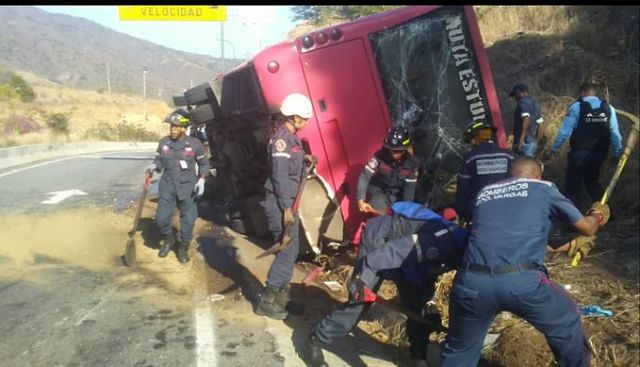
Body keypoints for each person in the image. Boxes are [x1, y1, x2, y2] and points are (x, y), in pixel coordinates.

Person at [441, 156, 610, 367]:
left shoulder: (484, 194)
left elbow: (505, 241)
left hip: (472, 283)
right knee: (566, 318)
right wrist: (598, 215)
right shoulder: (543, 188)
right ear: (538, 175)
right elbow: (587, 228)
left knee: (460, 350)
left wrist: (567, 246)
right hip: (522, 284)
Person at [297, 202, 469, 367]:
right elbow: (393, 252)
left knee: (420, 309)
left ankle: (418, 358)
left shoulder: (460, 252)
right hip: (381, 240)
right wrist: (361, 280)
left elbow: (429, 271)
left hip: (407, 259)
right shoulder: (443, 242)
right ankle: (315, 341)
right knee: (360, 300)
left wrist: (430, 301)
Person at [254, 93, 315, 320]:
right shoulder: (281, 138)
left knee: (293, 250)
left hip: (290, 202)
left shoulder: (293, 137)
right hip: (281, 204)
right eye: (305, 118)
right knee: (286, 250)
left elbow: (291, 160)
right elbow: (279, 174)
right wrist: (285, 208)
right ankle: (267, 300)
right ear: (295, 117)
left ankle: (282, 297)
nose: (307, 122)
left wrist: (306, 158)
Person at [145, 108, 209, 263]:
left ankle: (183, 247)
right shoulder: (164, 142)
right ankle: (169, 239)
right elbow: (159, 160)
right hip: (167, 185)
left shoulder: (194, 144)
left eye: (175, 127)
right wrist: (154, 166)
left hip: (188, 187)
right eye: (171, 127)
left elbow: (204, 162)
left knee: (188, 221)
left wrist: (202, 179)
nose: (172, 130)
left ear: (183, 128)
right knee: (160, 219)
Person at [547, 80, 623, 211]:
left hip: (580, 153)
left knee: (573, 185)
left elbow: (565, 132)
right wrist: (617, 152)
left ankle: (572, 217)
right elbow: (615, 133)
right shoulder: (608, 108)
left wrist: (555, 148)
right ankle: (606, 212)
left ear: (582, 93)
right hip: (600, 153)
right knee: (592, 182)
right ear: (596, 93)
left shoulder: (576, 107)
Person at [454, 120, 516, 223]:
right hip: (507, 211)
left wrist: (460, 211)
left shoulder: (470, 158)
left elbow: (462, 190)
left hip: (479, 213)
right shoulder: (509, 155)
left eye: (470, 141)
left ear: (474, 138)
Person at [356, 125, 421, 216]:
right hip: (378, 193)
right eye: (391, 150)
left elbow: (409, 189)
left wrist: (406, 210)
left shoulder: (412, 164)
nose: (394, 153)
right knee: (379, 209)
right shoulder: (379, 156)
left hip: (396, 197)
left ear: (405, 150)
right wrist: (360, 199)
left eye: (398, 151)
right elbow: (365, 176)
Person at [509, 83, 544, 157]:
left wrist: (521, 140)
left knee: (517, 166)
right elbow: (541, 125)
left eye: (515, 96)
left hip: (523, 143)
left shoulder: (523, 103)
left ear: (518, 92)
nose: (515, 99)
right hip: (531, 144)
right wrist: (535, 142)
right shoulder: (536, 104)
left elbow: (526, 119)